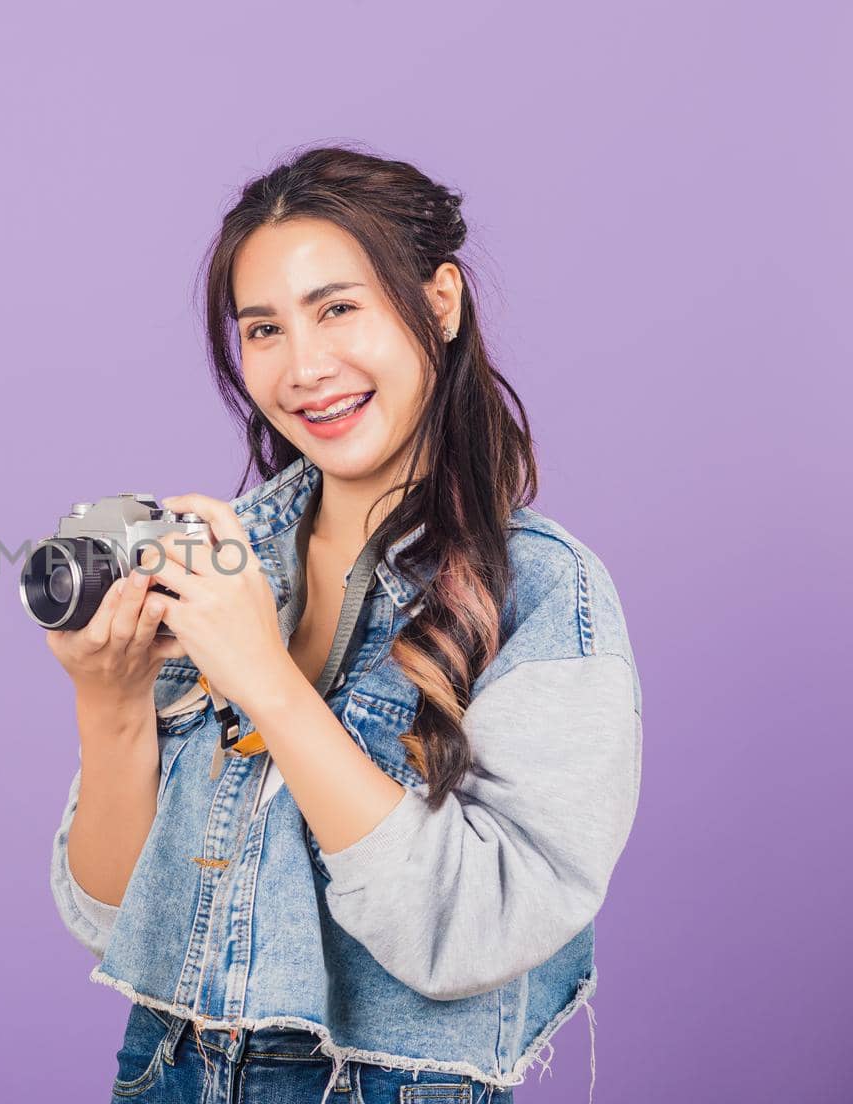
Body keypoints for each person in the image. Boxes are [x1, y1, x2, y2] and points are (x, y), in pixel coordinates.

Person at [44, 144, 642, 1104]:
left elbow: (477, 930)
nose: (305, 367)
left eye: (338, 307)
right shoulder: (226, 564)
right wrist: (106, 700)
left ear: (439, 303)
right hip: (167, 1076)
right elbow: (116, 919)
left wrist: (268, 683)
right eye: (265, 329)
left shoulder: (544, 595)